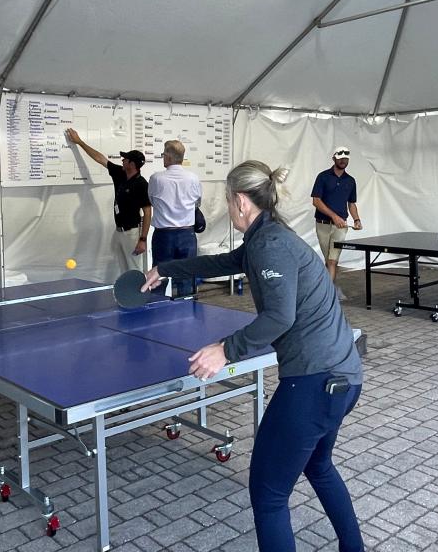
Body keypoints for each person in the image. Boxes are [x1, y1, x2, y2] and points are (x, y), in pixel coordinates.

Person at [143, 161, 364, 552]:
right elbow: (225, 262)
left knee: (268, 496)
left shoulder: (271, 245)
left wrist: (225, 350)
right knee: (318, 465)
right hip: (343, 377)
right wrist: (168, 268)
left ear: (241, 201)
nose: (228, 209)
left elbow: (280, 316)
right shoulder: (268, 237)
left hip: (315, 382)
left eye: (228, 201)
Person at [65, 129, 152, 273]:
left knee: (135, 270)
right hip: (119, 231)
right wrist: (79, 142)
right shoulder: (120, 173)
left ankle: (138, 294)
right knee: (124, 269)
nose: (122, 160)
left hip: (132, 233)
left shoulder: (141, 184)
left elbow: (147, 212)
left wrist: (142, 239)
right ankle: (126, 295)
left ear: (131, 164)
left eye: (125, 159)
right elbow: (100, 158)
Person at [148, 139, 202, 296]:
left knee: (159, 274)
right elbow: (197, 202)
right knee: (186, 274)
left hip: (164, 235)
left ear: (169, 157)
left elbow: (152, 200)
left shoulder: (156, 178)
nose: (163, 157)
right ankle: (187, 309)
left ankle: (156, 308)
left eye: (164, 154)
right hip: (187, 234)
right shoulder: (193, 178)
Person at [311, 145, 362, 289]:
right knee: (329, 260)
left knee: (333, 260)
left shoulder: (350, 181)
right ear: (334, 158)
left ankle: (329, 293)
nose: (343, 160)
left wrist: (357, 220)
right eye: (340, 158)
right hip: (322, 225)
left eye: (345, 158)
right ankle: (331, 289)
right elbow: (316, 201)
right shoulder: (323, 177)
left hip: (341, 226)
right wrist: (334, 216)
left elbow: (351, 204)